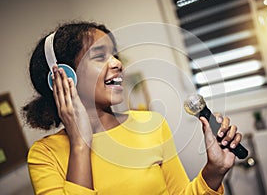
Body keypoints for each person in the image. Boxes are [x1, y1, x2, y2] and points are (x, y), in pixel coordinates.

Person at [23, 21, 242, 195]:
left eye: (114, 55)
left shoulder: (151, 124)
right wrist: (80, 143)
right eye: (100, 56)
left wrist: (214, 171)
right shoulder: (44, 155)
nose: (118, 63)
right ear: (64, 77)